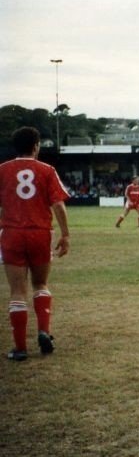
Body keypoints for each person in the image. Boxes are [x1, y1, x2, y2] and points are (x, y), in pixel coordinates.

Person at [0, 127, 70, 361]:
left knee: (17, 291)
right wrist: (65, 234)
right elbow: (58, 205)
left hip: (11, 234)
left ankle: (20, 349)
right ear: (36, 146)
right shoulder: (47, 170)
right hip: (40, 233)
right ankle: (44, 332)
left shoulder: (2, 170)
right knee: (40, 283)